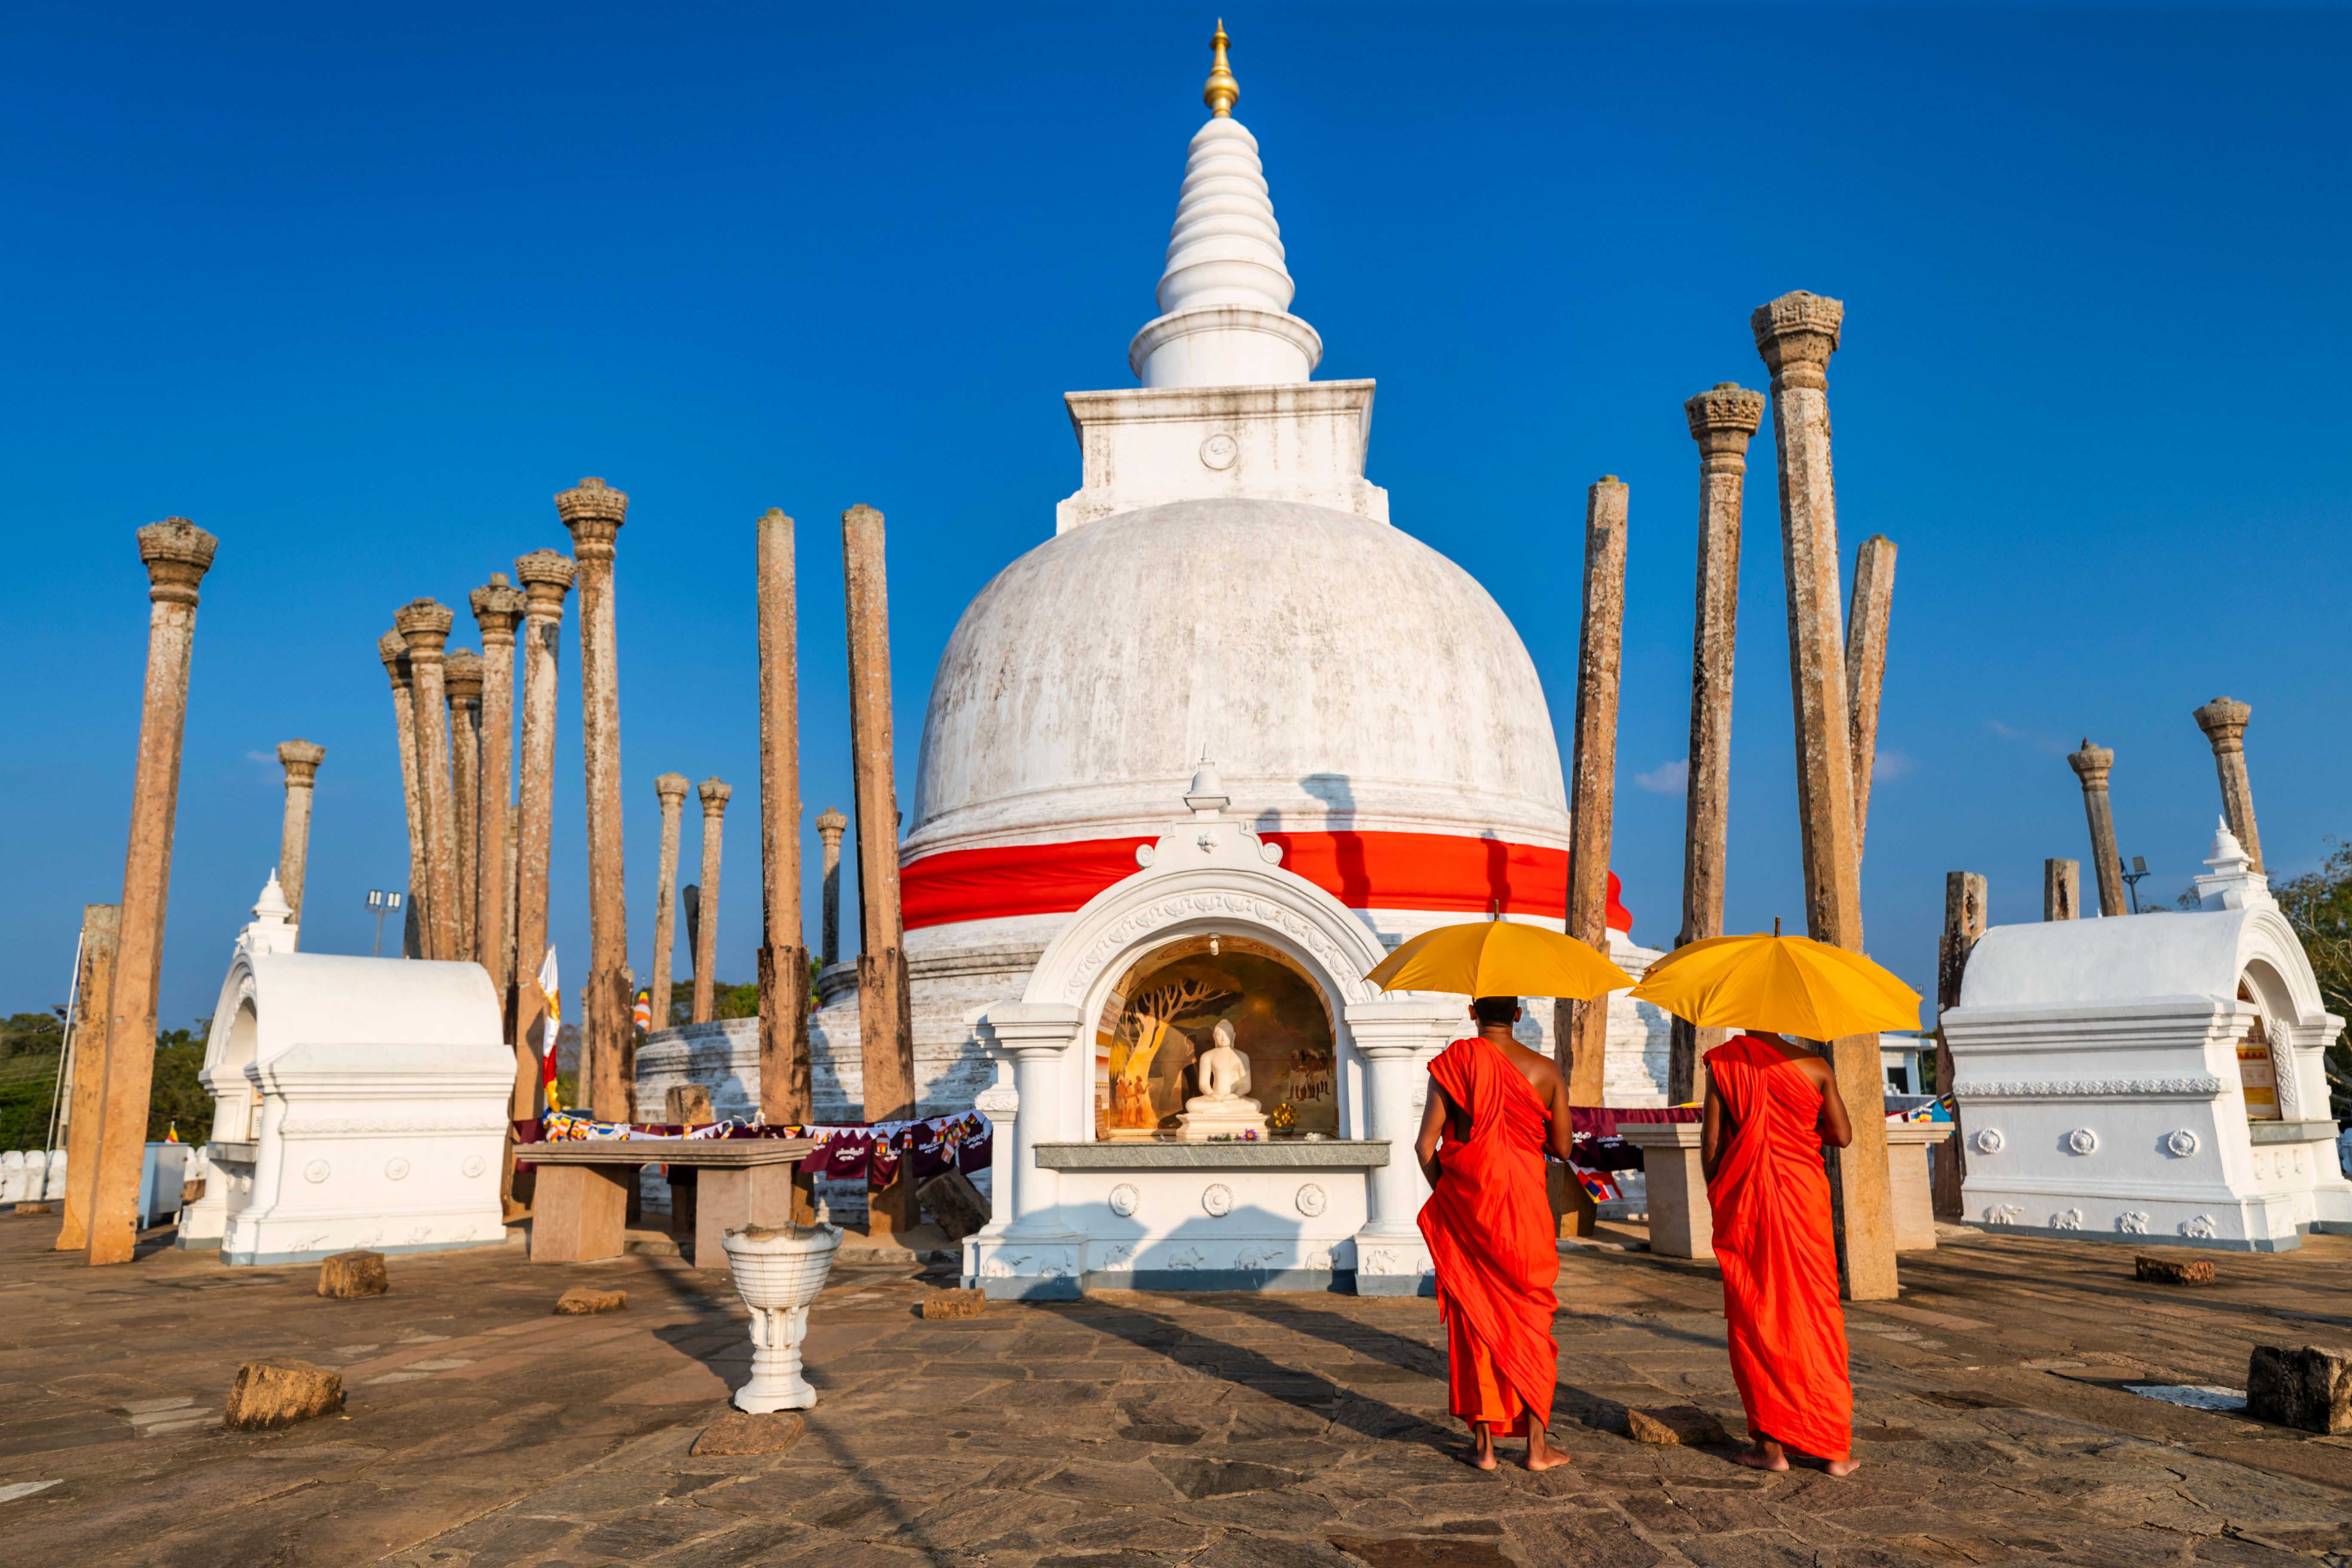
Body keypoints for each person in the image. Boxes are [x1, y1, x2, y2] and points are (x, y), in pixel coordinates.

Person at [1414, 995, 1574, 1471]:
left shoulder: (1454, 1064)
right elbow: (1563, 1147)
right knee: (1531, 1318)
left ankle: (1484, 1448)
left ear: (1472, 1012)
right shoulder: (1545, 1070)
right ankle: (1537, 1449)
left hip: (1470, 1212)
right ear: (1519, 1015)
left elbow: (1425, 1145)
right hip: (1525, 1212)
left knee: (1476, 1323)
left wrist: (1450, 1196)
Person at [1701, 1029, 1859, 1476]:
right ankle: (1835, 1451)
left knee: (1758, 1312)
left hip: (1748, 1197)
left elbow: (1712, 1142)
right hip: (1802, 1194)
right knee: (1816, 1314)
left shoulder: (1726, 1062)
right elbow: (1842, 1135)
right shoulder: (1817, 1068)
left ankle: (1771, 1450)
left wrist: (1719, 1188)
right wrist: (1796, 1127)